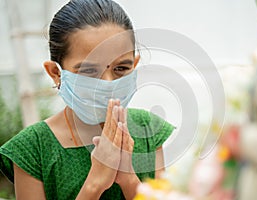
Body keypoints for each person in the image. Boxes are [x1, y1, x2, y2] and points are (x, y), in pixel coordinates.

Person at [0, 0, 174, 199]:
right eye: (89, 71)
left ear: (134, 66)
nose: (108, 83)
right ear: (56, 73)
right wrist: (94, 184)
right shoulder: (32, 149)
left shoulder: (148, 129)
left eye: (121, 69)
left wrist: (128, 178)